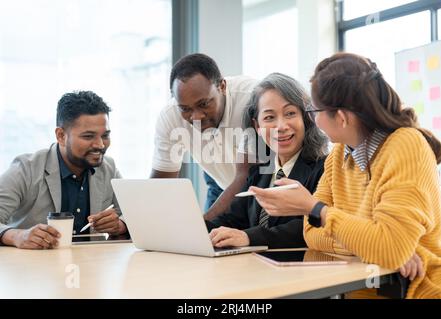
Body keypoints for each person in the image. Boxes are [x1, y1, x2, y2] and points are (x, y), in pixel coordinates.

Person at [250, 53, 441, 299]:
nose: (313, 118)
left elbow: (389, 248)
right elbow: (311, 235)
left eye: (314, 110)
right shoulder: (339, 156)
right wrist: (372, 245)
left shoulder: (406, 146)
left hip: (418, 292)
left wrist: (317, 210)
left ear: (341, 117)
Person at [207, 73, 328, 248]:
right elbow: (232, 218)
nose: (281, 127)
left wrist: (249, 237)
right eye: (269, 117)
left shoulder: (323, 168)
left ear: (306, 117)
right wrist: (194, 229)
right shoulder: (259, 171)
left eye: (290, 113)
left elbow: (309, 226)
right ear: (257, 126)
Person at [0, 91, 127, 249]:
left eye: (105, 135)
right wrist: (17, 236)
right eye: (88, 136)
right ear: (61, 135)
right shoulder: (26, 168)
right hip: (33, 268)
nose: (100, 145)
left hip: (91, 267)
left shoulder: (109, 168)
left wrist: (120, 224)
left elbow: (135, 215)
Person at [151, 53, 258, 220]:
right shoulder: (170, 116)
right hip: (220, 182)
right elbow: (160, 187)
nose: (196, 117)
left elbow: (246, 177)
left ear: (222, 86)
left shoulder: (251, 99)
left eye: (203, 104)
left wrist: (200, 225)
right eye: (185, 109)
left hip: (256, 185)